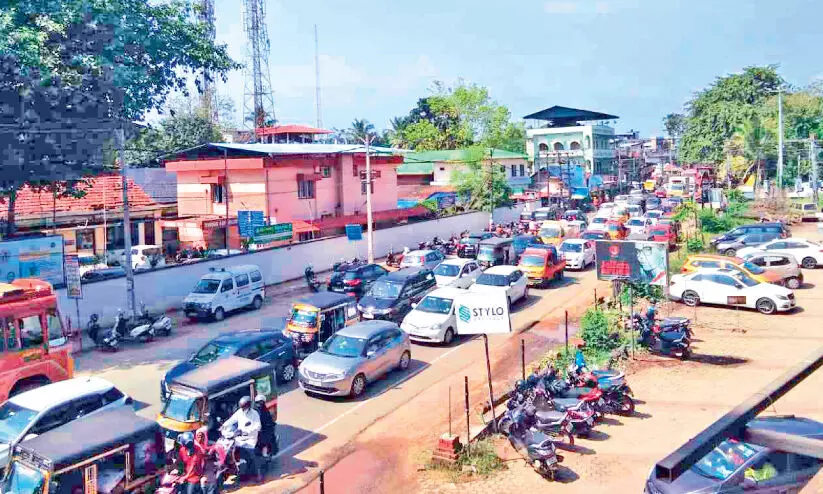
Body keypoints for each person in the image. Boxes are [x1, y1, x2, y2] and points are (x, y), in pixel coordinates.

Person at [221, 396, 262, 482]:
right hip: (239, 437)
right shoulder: (240, 412)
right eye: (241, 406)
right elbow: (232, 420)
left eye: (243, 406)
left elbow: (258, 426)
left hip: (250, 438)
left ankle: (257, 473)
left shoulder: (254, 414)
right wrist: (224, 425)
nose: (242, 408)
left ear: (248, 406)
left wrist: (247, 431)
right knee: (230, 450)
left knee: (251, 455)